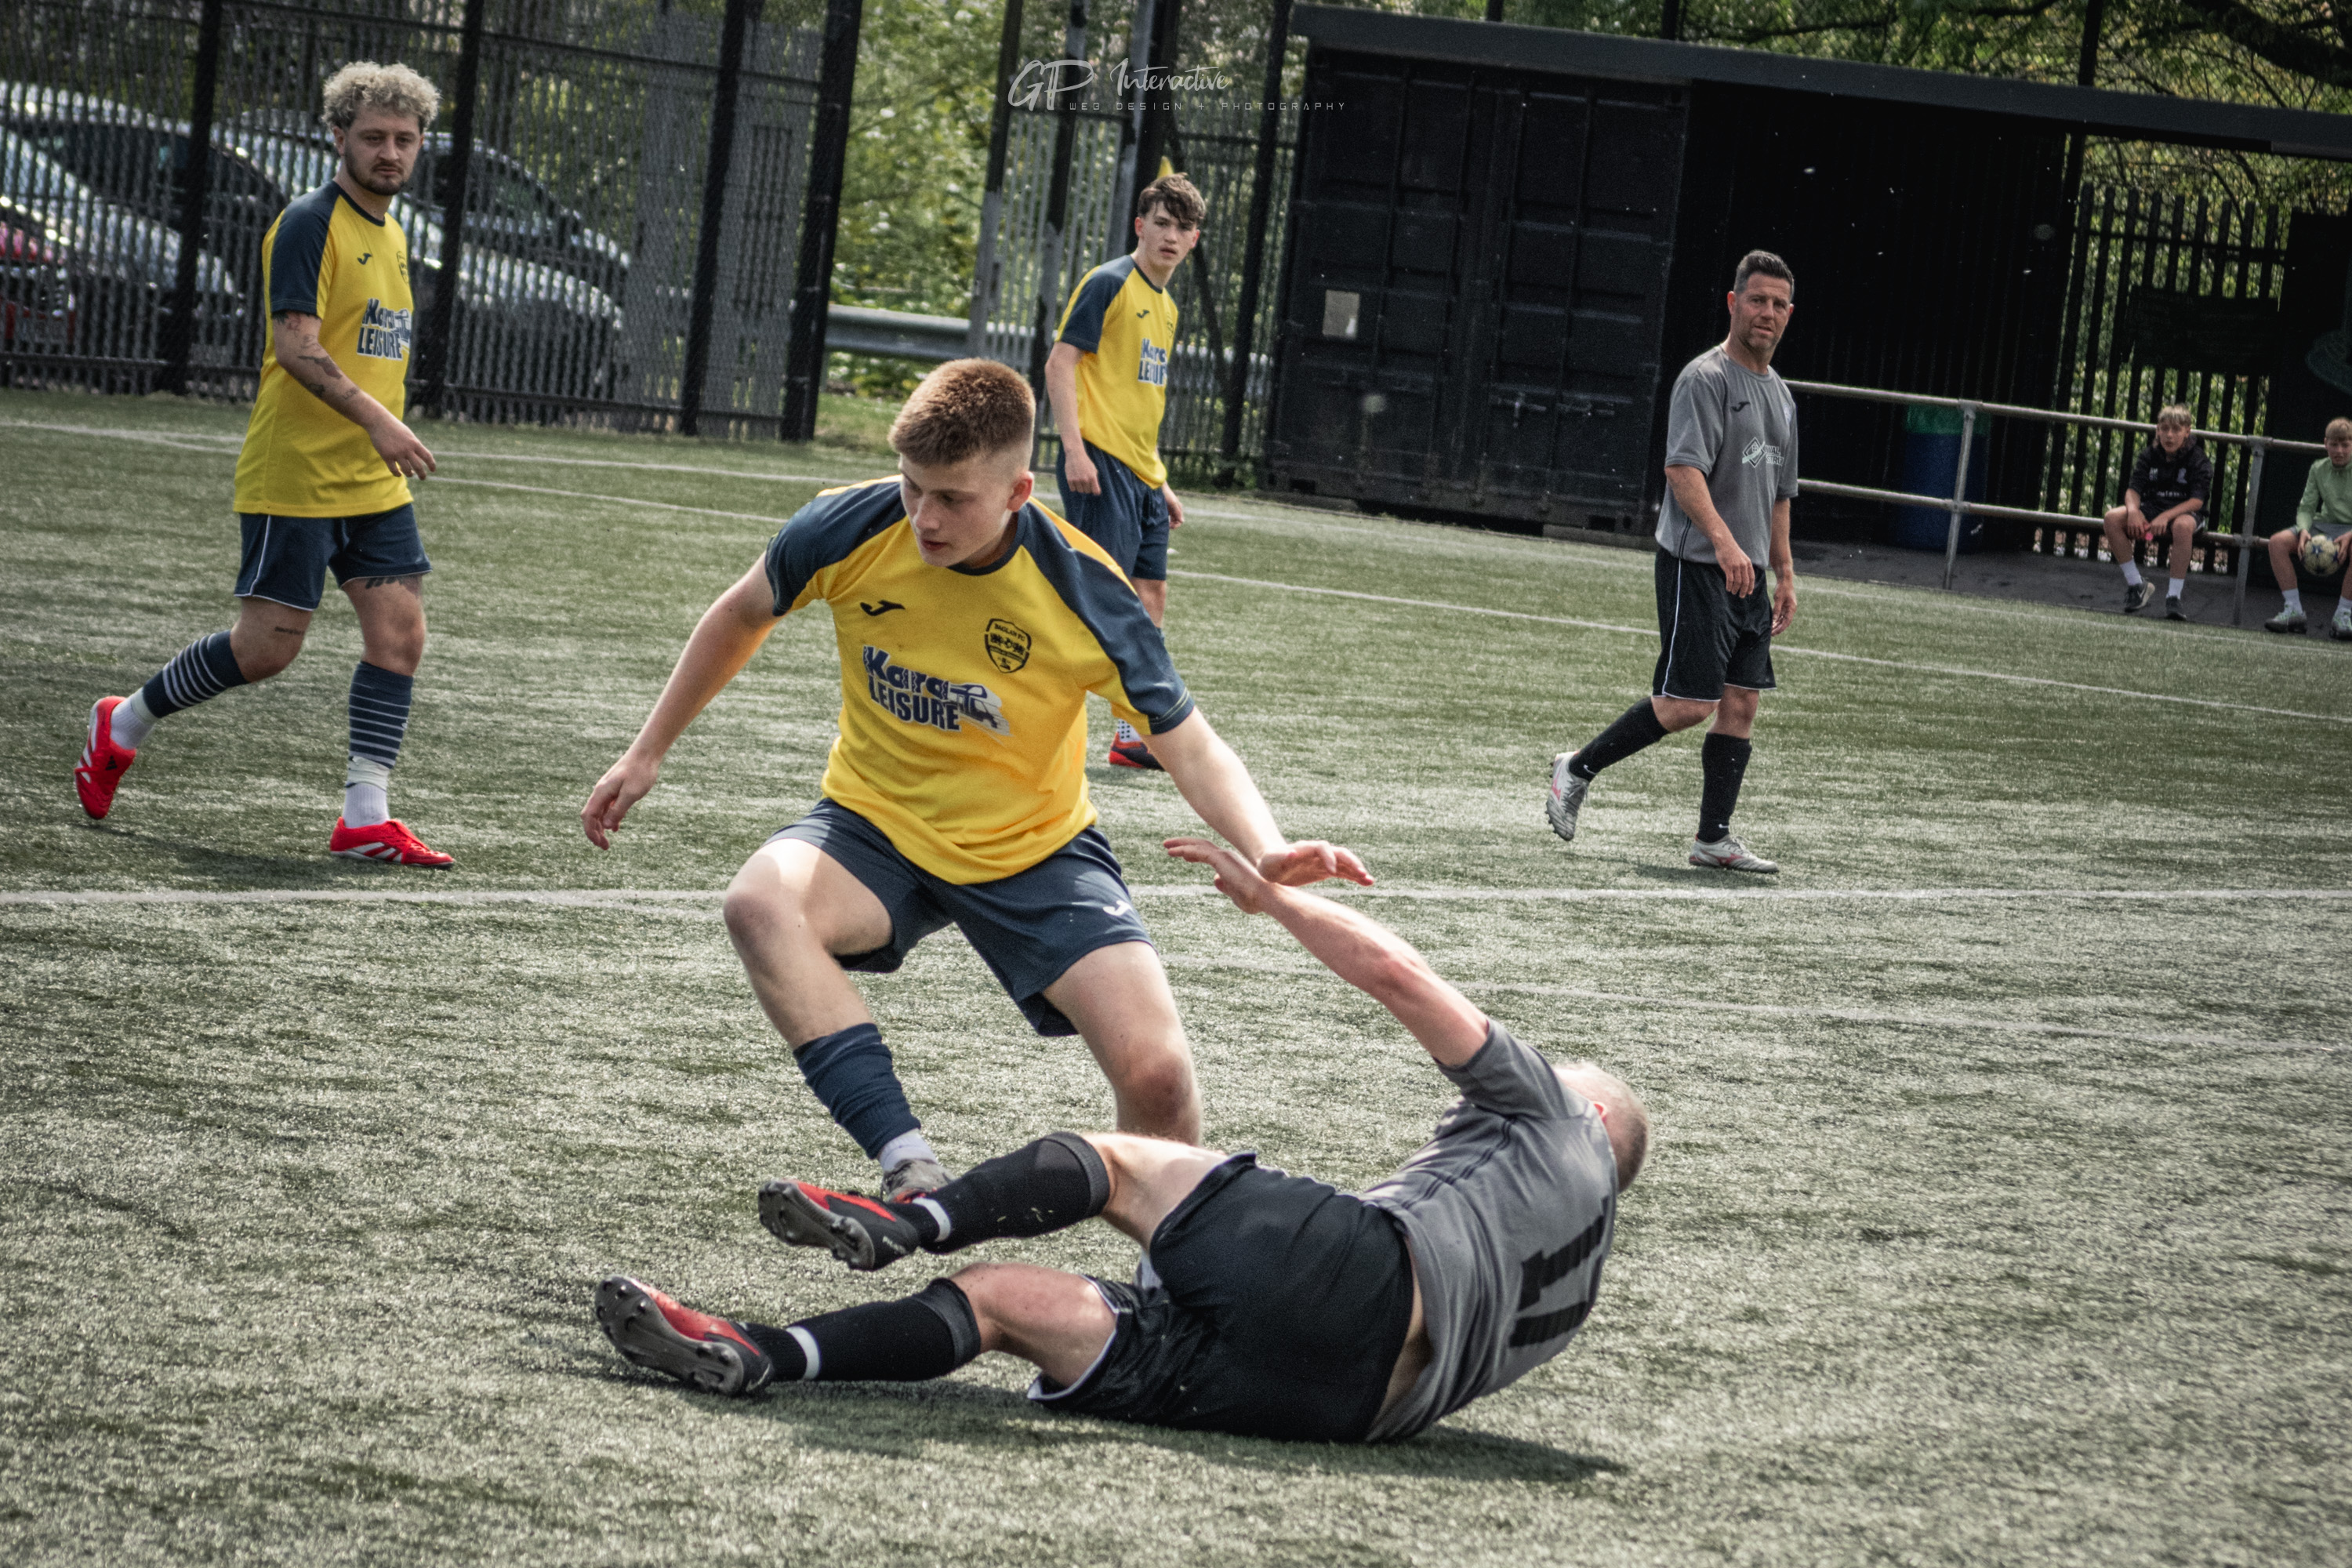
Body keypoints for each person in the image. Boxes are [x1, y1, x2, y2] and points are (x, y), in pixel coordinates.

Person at [579, 359, 1370, 1200]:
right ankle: (907, 1163)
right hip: (873, 825)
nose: (924, 515)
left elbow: (1192, 743)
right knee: (758, 902)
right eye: (914, 487)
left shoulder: (1085, 591)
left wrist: (1268, 845)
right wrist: (648, 749)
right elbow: (742, 612)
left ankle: (1168, 1286)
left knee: (1160, 1072)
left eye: (953, 498)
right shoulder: (847, 526)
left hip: (1034, 849)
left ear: (1019, 491)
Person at [593, 834, 1647, 1446]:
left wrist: (1275, 901)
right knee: (1007, 1305)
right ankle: (761, 1354)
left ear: (1594, 1118)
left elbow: (1403, 981)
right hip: (1342, 1406)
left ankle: (908, 1214)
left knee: (1121, 1163)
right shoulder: (1573, 1282)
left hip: (1366, 1283)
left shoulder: (1561, 1125)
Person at [71, 63, 451, 866]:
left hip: (371, 480)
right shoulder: (312, 221)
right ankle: (124, 721)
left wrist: (380, 433)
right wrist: (382, 420)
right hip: (299, 471)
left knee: (401, 634)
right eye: (374, 137)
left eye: (404, 140)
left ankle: (364, 815)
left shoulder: (394, 231)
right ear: (338, 135)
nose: (389, 153)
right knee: (268, 647)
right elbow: (297, 347)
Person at [1544, 249, 1798, 874]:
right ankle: (1576, 769)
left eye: (1778, 304)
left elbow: (1780, 494)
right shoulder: (1705, 380)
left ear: (1789, 315)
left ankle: (1714, 839)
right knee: (1690, 703)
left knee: (1741, 704)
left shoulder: (1784, 398)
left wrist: (1784, 572)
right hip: (1698, 565)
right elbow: (1682, 472)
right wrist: (1723, 542)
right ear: (1734, 304)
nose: (1767, 312)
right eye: (1757, 300)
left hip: (1750, 579)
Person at [1044, 172, 1204, 771]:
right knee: (1095, 599)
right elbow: (1061, 364)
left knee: (1150, 593)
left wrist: (1158, 481)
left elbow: (1138, 397)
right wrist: (1074, 448)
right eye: (1161, 222)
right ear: (1140, 226)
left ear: (1193, 242)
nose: (1171, 235)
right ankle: (1037, 716)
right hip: (1099, 463)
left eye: (1183, 228)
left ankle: (1132, 735)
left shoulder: (1167, 306)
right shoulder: (1109, 283)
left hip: (1140, 474)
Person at [2100, 405, 2212, 620]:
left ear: (2187, 431)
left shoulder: (2198, 459)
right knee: (2112, 518)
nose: (2170, 435)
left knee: (2181, 526)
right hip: (2151, 516)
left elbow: (2197, 501)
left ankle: (2173, 597)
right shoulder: (2149, 455)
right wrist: (2134, 512)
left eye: (2176, 430)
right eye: (2165, 429)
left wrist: (2166, 516)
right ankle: (2137, 585)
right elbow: (2133, 490)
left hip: (2184, 514)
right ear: (2157, 430)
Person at [2264, 416, 2352, 639]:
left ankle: (2343, 614)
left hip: (2350, 530)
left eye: (2345, 445)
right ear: (2326, 443)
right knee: (2277, 542)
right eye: (2334, 444)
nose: (2339, 450)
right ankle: (2294, 610)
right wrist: (2304, 529)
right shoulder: (2318, 468)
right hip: (2321, 526)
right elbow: (2306, 507)